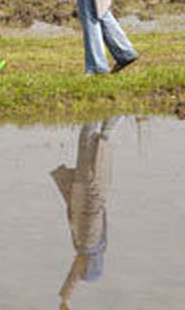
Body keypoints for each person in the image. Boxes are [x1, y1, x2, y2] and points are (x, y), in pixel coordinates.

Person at [52, 116, 121, 309]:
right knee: (88, 139)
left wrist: (66, 298)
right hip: (87, 185)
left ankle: (117, 110)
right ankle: (97, 111)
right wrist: (65, 299)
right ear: (87, 265)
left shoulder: (98, 245)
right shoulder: (87, 244)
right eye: (83, 269)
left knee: (103, 140)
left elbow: (74, 273)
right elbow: (74, 273)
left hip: (99, 186)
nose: (78, 267)